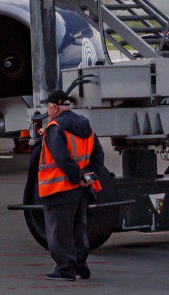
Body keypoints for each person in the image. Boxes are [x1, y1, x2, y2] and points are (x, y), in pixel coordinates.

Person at [35, 90, 105, 281]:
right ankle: (81, 267)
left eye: (48, 108)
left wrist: (76, 177)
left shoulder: (55, 128)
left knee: (59, 232)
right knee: (78, 229)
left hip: (59, 189)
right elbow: (98, 153)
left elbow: (62, 159)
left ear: (55, 107)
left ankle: (65, 269)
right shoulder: (85, 125)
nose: (47, 112)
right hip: (81, 190)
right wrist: (89, 175)